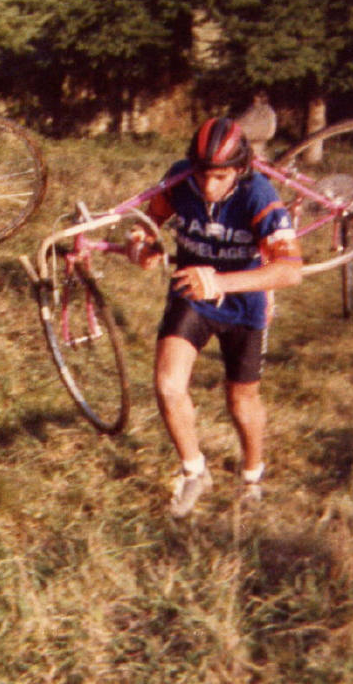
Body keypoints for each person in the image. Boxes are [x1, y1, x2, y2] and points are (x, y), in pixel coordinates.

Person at [127, 117, 302, 518]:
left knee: (241, 399)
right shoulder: (178, 179)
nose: (209, 186)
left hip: (244, 302)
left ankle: (252, 476)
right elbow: (147, 222)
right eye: (203, 174)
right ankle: (193, 472)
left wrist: (221, 281)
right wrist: (142, 245)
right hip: (191, 295)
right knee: (168, 385)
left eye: (220, 176)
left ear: (239, 170)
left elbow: (290, 269)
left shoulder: (258, 193)